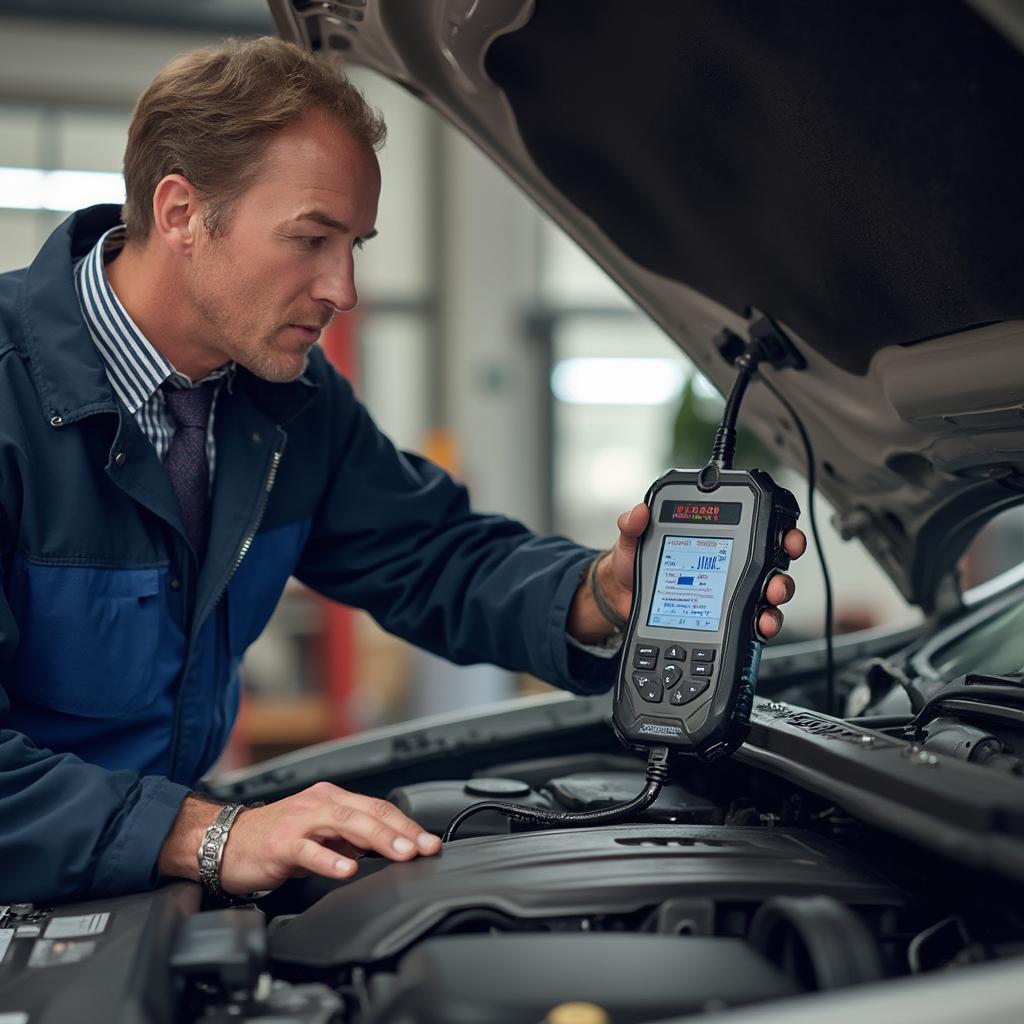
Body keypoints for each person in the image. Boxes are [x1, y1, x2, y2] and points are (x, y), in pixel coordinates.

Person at [0, 38, 804, 902]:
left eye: (355, 244)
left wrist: (603, 594)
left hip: (132, 885)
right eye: (311, 239)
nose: (343, 289)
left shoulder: (291, 407)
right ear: (182, 212)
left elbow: (431, 555)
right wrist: (206, 831)